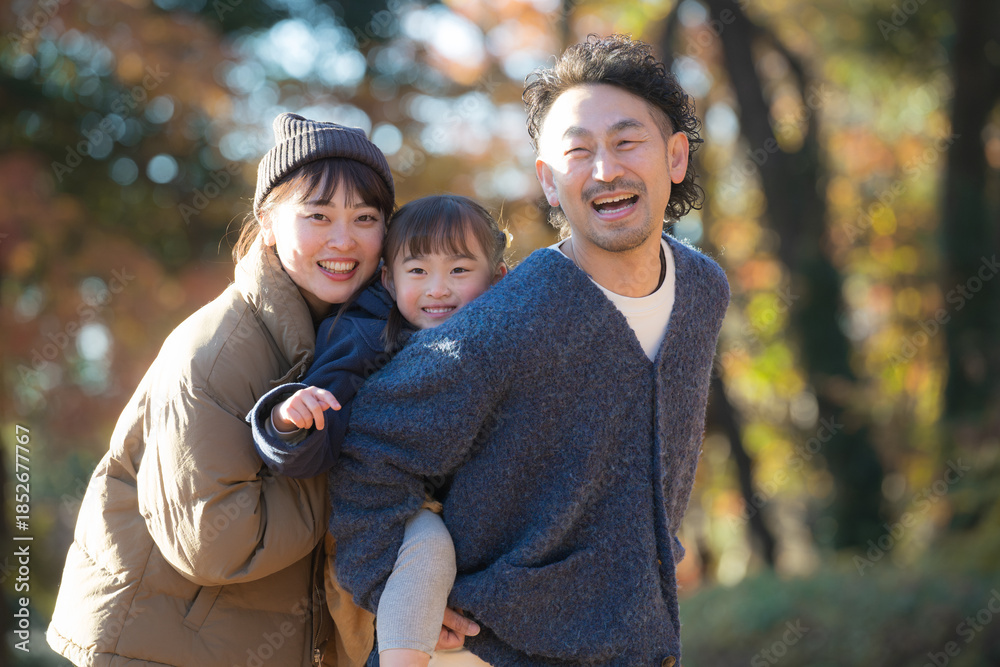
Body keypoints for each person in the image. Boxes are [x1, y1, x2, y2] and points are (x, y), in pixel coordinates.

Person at [328, 34, 731, 667]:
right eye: (578, 151)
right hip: (486, 650)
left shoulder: (703, 289)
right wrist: (392, 589)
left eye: (627, 142)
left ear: (676, 156)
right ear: (548, 180)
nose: (604, 170)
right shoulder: (510, 318)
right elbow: (371, 447)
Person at [46, 112, 396, 667]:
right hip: (156, 649)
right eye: (318, 215)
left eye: (365, 217)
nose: (343, 239)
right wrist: (358, 470)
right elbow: (214, 542)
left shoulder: (346, 337)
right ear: (268, 219)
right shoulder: (216, 351)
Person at [247, 194, 508, 667]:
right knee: (430, 546)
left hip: (467, 506)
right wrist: (290, 419)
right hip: (386, 512)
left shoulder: (505, 343)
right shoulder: (369, 336)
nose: (438, 289)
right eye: (418, 271)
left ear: (498, 278)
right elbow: (319, 425)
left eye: (459, 271)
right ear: (388, 278)